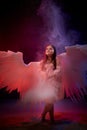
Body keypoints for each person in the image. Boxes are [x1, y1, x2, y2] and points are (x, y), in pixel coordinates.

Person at [39, 44, 64, 123]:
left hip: (53, 83)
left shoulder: (56, 60)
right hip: (46, 83)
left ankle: (44, 116)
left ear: (54, 51)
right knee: (49, 102)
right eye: (47, 49)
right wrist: (44, 75)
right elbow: (40, 71)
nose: (48, 50)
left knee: (50, 101)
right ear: (45, 52)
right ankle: (50, 118)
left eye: (51, 49)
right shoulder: (43, 62)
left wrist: (51, 74)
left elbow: (59, 69)